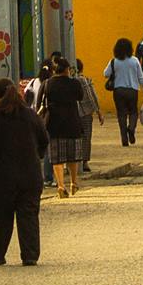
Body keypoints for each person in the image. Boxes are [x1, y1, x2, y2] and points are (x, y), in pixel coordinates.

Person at [0, 79, 47, 267]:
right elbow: (44, 138)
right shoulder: (30, 115)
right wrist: (37, 155)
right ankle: (30, 255)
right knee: (28, 214)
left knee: (2, 216)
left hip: (4, 176)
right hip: (30, 174)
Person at [40, 57, 90, 198]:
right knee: (72, 157)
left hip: (54, 124)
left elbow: (41, 102)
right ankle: (73, 183)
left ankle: (61, 185)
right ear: (67, 70)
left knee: (57, 158)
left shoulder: (48, 83)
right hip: (72, 122)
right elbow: (80, 97)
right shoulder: (74, 83)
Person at [104, 39, 143, 146]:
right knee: (133, 112)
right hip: (132, 90)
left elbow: (105, 73)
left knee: (121, 114)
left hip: (118, 90)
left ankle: (124, 138)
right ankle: (131, 128)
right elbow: (141, 78)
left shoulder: (114, 61)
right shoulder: (135, 60)